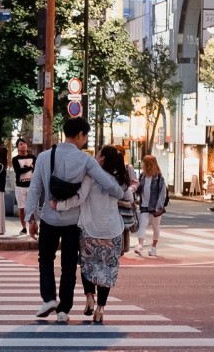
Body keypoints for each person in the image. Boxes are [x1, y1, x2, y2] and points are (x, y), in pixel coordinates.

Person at [27, 117, 124, 323]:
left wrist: (30, 217)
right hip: (72, 222)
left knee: (45, 259)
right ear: (80, 135)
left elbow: (35, 189)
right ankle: (64, 310)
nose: (85, 140)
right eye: (85, 136)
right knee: (68, 266)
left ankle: (49, 298)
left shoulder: (44, 157)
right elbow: (106, 182)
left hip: (49, 218)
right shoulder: (85, 160)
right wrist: (120, 191)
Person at [72, 146, 133, 325]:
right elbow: (128, 197)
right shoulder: (119, 180)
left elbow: (80, 197)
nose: (96, 156)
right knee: (107, 270)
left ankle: (89, 296)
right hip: (113, 231)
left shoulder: (90, 177)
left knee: (87, 265)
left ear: (102, 159)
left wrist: (59, 206)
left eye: (98, 154)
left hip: (90, 228)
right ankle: (100, 309)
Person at [133, 154, 168, 257]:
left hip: (155, 206)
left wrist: (159, 206)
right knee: (142, 225)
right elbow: (140, 189)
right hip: (144, 205)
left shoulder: (158, 177)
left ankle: (153, 247)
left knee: (155, 226)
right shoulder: (143, 176)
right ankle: (140, 245)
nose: (143, 165)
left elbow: (162, 193)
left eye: (145, 163)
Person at [11, 137, 36, 235]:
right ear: (17, 147)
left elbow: (36, 170)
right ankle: (24, 227)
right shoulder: (15, 159)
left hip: (31, 186)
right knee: (21, 209)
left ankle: (32, 226)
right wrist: (29, 167)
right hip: (20, 186)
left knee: (32, 207)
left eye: (24, 143)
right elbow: (18, 171)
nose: (23, 145)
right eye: (21, 144)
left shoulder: (33, 157)